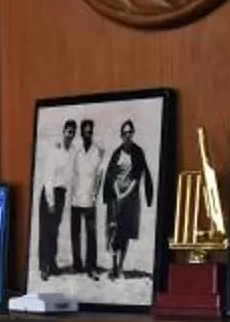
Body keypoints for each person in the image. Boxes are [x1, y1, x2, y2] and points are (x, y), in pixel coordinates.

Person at [101, 117, 154, 279]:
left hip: (130, 198)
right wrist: (118, 193)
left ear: (133, 134)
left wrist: (125, 194)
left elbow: (137, 178)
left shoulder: (138, 152)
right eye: (125, 133)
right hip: (115, 198)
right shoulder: (117, 153)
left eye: (130, 132)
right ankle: (113, 265)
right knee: (113, 231)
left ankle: (121, 267)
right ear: (121, 135)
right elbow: (111, 176)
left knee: (124, 233)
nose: (128, 135)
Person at [38, 119, 76, 278]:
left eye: (73, 132)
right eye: (68, 131)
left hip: (61, 194)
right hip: (50, 193)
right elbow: (48, 176)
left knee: (54, 231)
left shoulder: (72, 150)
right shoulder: (56, 149)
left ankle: (52, 263)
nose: (70, 135)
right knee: (45, 232)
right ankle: (43, 267)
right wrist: (50, 201)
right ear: (63, 131)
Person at [69, 118, 101, 278]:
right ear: (81, 133)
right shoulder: (76, 151)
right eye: (86, 131)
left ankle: (91, 266)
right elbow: (73, 175)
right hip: (76, 199)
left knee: (91, 234)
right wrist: (72, 194)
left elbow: (99, 175)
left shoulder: (97, 151)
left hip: (89, 199)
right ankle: (77, 264)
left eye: (90, 131)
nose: (88, 134)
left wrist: (95, 195)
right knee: (75, 233)